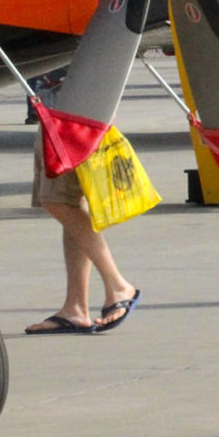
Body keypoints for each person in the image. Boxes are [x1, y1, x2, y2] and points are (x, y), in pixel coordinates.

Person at [24, 137, 140, 335]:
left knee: (57, 201)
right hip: (58, 113)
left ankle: (118, 286)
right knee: (69, 202)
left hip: (72, 117)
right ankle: (75, 308)